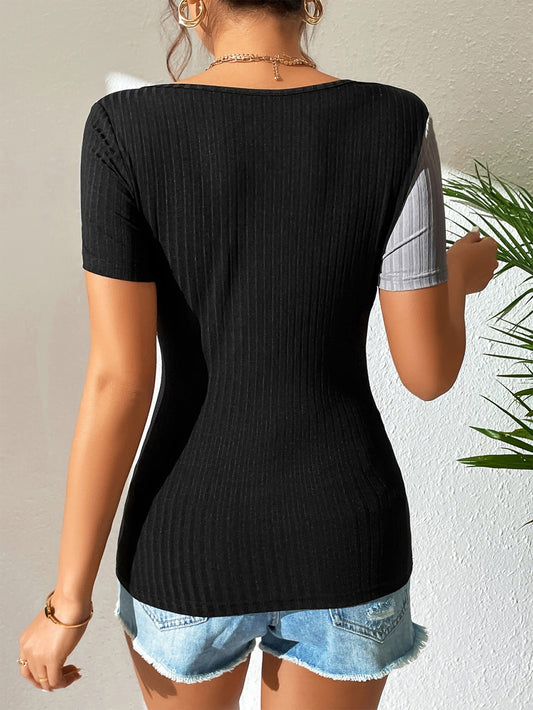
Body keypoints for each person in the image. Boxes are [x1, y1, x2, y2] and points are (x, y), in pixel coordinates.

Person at [18, 0, 499, 707]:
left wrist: (68, 604)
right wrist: (455, 280)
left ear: (190, 4)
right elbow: (427, 373)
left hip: (184, 540)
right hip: (343, 534)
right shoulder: (396, 121)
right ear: (309, 2)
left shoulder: (124, 127)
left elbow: (120, 380)